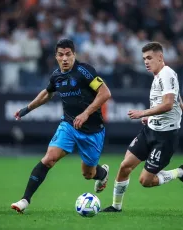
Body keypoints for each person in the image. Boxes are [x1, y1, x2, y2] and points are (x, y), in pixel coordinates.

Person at [11, 39, 111, 213]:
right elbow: (47, 94)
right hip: (69, 125)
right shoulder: (56, 76)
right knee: (49, 158)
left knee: (88, 174)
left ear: (74, 55)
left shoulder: (85, 72)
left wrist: (86, 113)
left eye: (68, 54)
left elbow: (105, 93)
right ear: (56, 56)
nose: (64, 58)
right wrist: (26, 109)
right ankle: (24, 200)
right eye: (61, 55)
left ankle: (102, 174)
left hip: (93, 131)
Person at [102, 42, 183, 213]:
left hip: (165, 138)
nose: (146, 62)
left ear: (160, 57)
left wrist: (144, 113)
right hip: (150, 131)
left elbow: (168, 104)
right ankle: (116, 206)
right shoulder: (158, 75)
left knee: (146, 181)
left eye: (149, 58)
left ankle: (180, 172)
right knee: (125, 166)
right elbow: (178, 103)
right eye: (144, 58)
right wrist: (152, 116)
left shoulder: (167, 74)